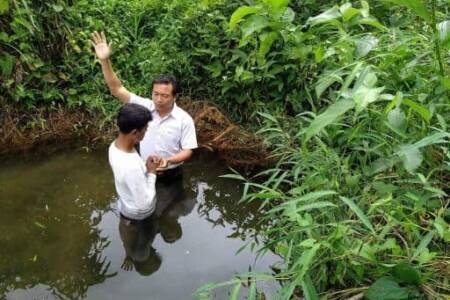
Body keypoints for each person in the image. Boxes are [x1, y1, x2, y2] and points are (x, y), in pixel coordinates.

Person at [91, 31, 197, 179]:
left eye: (165, 96)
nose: (159, 99)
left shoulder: (184, 119)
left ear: (175, 96)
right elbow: (117, 89)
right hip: (145, 168)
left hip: (172, 171)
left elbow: (188, 150)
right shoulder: (144, 107)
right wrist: (104, 61)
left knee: (175, 201)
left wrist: (168, 161)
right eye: (156, 94)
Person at [109, 103, 161, 221]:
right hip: (138, 215)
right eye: (145, 128)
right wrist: (152, 172)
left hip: (125, 203)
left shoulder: (114, 146)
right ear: (135, 133)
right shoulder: (131, 167)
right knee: (145, 239)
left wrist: (145, 167)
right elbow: (144, 205)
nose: (147, 130)